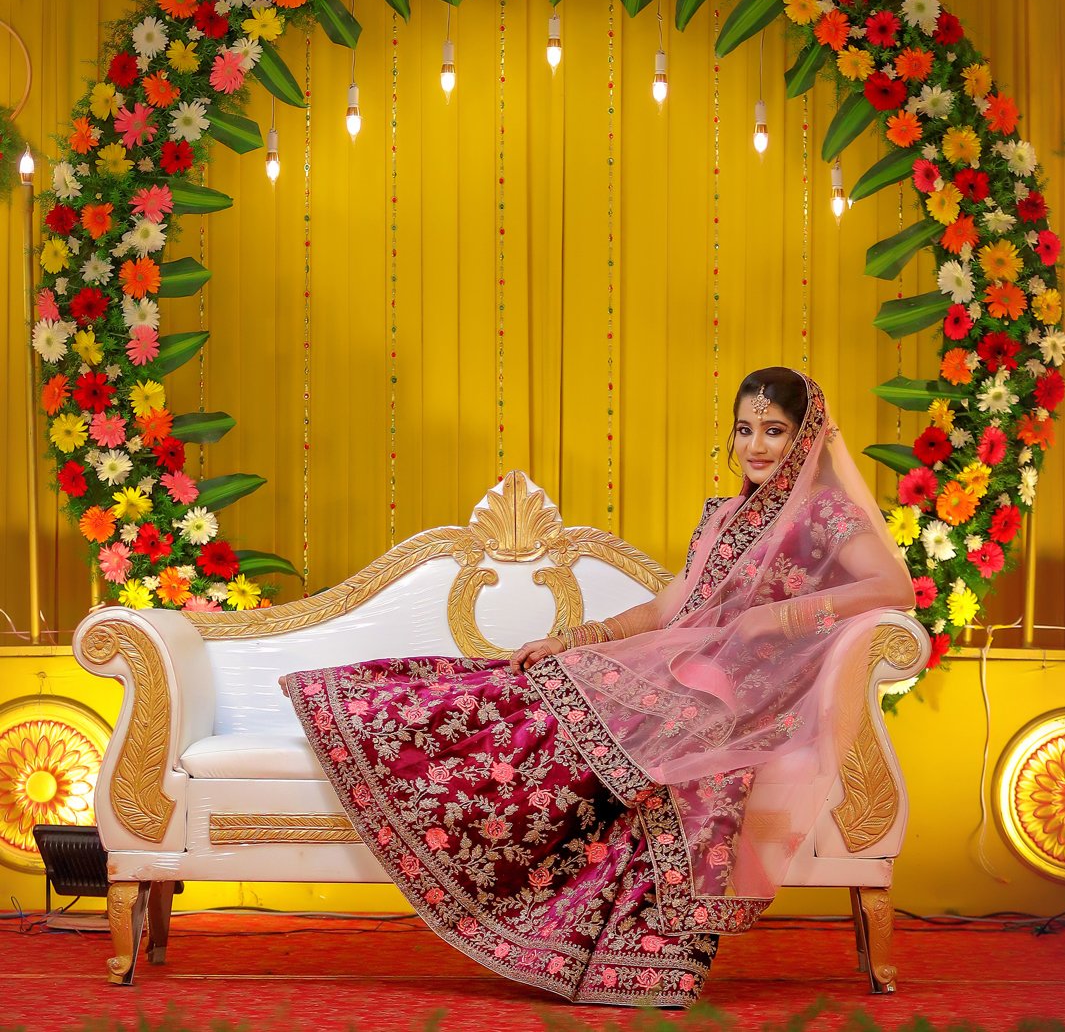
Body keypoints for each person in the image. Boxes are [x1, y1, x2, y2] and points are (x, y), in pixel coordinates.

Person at [283, 367, 915, 1007]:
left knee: (555, 710)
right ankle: (392, 737)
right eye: (745, 430)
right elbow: (670, 609)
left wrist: (778, 616)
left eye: (774, 432)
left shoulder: (823, 514)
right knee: (530, 682)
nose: (756, 446)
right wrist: (573, 638)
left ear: (804, 437)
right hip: (682, 666)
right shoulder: (725, 516)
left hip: (746, 694)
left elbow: (894, 589)